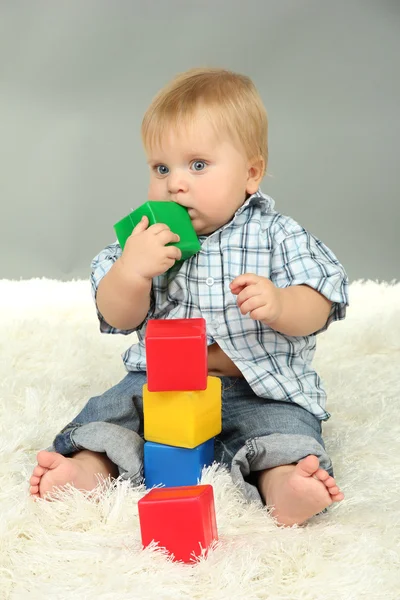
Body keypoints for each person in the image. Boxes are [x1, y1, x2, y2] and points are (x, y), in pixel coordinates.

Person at [29, 67, 349, 526]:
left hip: (259, 388)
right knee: (113, 413)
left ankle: (286, 487)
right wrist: (132, 272)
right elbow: (116, 314)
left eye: (198, 165)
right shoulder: (146, 238)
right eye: (161, 168)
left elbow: (320, 300)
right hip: (162, 385)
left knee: (282, 433)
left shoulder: (277, 234)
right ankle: (87, 471)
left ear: (251, 173)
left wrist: (282, 303)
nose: (175, 183)